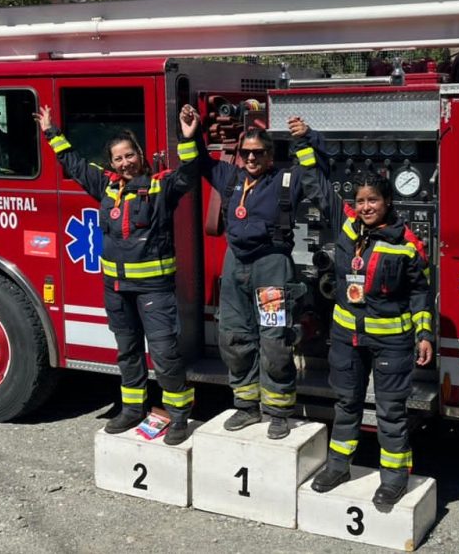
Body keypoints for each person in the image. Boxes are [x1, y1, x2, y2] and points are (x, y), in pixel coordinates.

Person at [35, 103, 200, 445]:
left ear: (139, 154)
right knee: (127, 352)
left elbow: (189, 175)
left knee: (165, 354)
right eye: (118, 159)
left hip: (154, 290)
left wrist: (187, 138)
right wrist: (51, 132)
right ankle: (132, 409)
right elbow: (74, 165)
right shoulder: (106, 187)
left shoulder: (159, 187)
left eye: (129, 156)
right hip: (115, 288)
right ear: (111, 164)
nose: (125, 163)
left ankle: (180, 415)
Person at [289, 117, 434, 508]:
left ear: (388, 203)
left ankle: (393, 479)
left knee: (389, 412)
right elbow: (318, 183)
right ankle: (338, 465)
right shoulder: (347, 226)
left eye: (374, 201)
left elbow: (421, 292)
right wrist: (306, 142)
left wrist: (424, 335)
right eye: (361, 201)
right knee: (347, 405)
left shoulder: (407, 245)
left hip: (391, 343)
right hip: (346, 339)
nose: (366, 207)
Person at [195, 109, 325, 440]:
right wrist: (190, 133)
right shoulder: (230, 178)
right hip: (235, 263)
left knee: (275, 340)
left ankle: (279, 411)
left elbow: (318, 170)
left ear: (270, 155)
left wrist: (306, 138)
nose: (251, 157)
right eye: (246, 153)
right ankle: (246, 406)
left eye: (258, 152)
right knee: (235, 337)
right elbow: (197, 161)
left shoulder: (286, 180)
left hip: (272, 266)